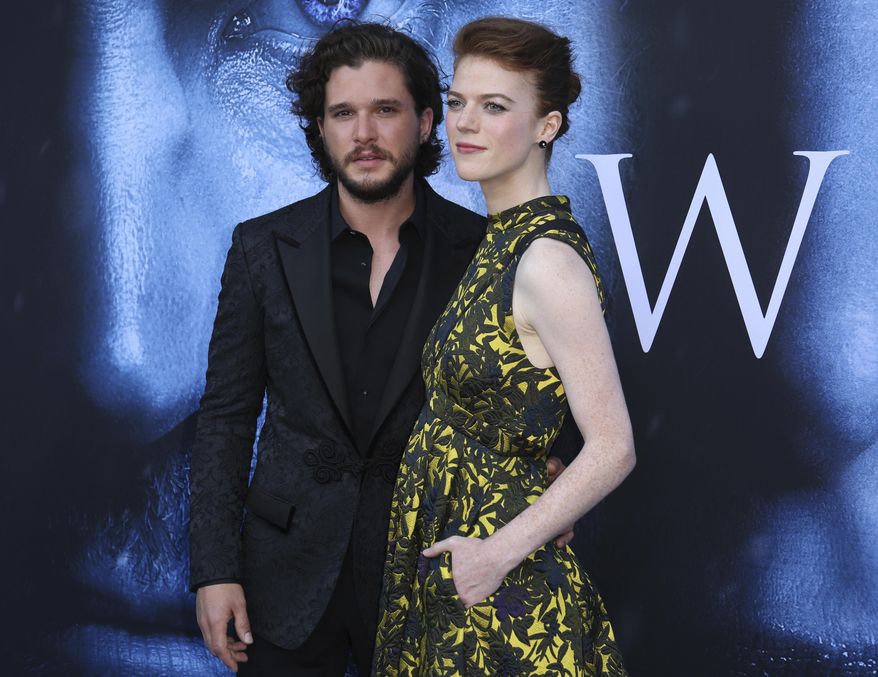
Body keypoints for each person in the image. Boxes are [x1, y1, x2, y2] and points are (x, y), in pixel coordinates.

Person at [188, 21, 575, 676]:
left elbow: (524, 397)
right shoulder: (261, 249)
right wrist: (215, 569)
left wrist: (549, 463)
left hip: (433, 572)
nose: (363, 134)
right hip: (283, 575)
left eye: (385, 110)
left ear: (426, 122)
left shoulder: (490, 251)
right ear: (319, 127)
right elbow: (225, 419)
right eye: (342, 113)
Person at [373, 17, 636, 675]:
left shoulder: (547, 260)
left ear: (547, 126)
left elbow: (613, 445)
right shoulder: (503, 240)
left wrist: (498, 551)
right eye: (459, 102)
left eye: (494, 107)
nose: (466, 123)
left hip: (502, 593)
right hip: (461, 571)